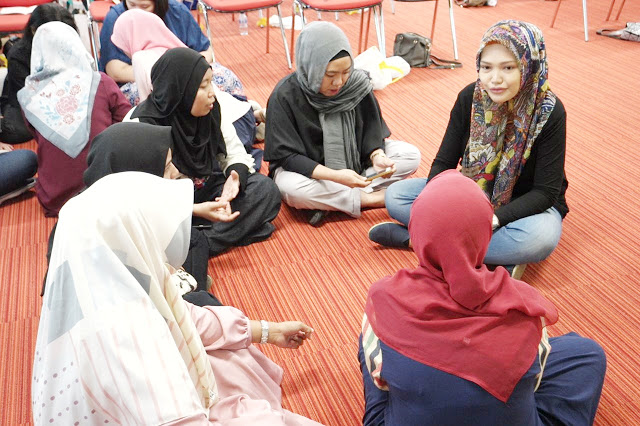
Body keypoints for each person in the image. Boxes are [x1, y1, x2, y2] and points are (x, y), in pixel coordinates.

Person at [32, 171, 321, 425]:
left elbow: (192, 319)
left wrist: (269, 331)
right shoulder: (124, 336)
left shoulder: (105, 281)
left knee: (232, 357)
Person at [359, 170, 606, 425]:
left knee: (374, 335)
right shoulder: (524, 306)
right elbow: (533, 383)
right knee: (586, 353)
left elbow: (382, 381)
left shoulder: (384, 298)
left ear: (416, 232)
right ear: (486, 236)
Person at [369, 20, 569, 271]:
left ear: (529, 66)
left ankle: (418, 241)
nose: (495, 79)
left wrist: (492, 219)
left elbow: (544, 192)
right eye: (486, 67)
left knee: (539, 239)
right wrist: (434, 202)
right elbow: (444, 163)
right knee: (396, 196)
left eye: (508, 68)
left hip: (526, 205)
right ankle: (487, 255)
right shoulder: (470, 98)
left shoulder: (549, 111)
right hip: (472, 194)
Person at [264, 22, 421, 227]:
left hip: (355, 165)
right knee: (290, 188)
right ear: (312, 67)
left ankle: (334, 201)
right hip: (312, 174)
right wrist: (336, 176)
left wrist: (377, 156)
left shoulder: (356, 85)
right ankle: (373, 199)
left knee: (410, 155)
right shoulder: (284, 96)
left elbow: (372, 131)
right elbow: (288, 157)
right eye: (330, 75)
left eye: (346, 72)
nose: (339, 82)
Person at [128, 47, 281, 255]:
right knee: (151, 228)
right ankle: (219, 236)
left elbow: (234, 151)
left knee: (265, 190)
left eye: (211, 82)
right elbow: (142, 197)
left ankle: (201, 243)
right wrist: (190, 209)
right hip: (169, 204)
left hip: (206, 189)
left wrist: (235, 177)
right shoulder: (142, 125)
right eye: (202, 86)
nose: (212, 93)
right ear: (181, 89)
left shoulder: (211, 109)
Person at [83, 121, 238, 294]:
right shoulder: (105, 241)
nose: (176, 172)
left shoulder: (108, 200)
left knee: (193, 238)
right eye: (166, 166)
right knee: (201, 299)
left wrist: (191, 209)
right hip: (132, 303)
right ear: (136, 173)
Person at [111, 9, 266, 168]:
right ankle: (254, 118)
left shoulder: (141, 59)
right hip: (241, 113)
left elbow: (151, 104)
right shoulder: (178, 51)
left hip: (228, 125)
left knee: (215, 166)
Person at [17, 21, 131, 217]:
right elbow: (128, 120)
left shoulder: (27, 96)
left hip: (56, 199)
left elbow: (38, 137)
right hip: (107, 193)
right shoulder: (100, 81)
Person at [99, 0, 244, 105]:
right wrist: (168, 76)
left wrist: (188, 72)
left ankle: (242, 115)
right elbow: (115, 71)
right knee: (177, 94)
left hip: (188, 74)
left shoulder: (176, 11)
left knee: (224, 78)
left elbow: (206, 51)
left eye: (144, 6)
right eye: (131, 4)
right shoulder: (117, 18)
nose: (136, 11)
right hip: (141, 82)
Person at [0, 3, 77, 144]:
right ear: (34, 31)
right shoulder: (18, 55)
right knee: (22, 130)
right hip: (26, 103)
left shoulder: (71, 46)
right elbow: (29, 99)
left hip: (64, 96)